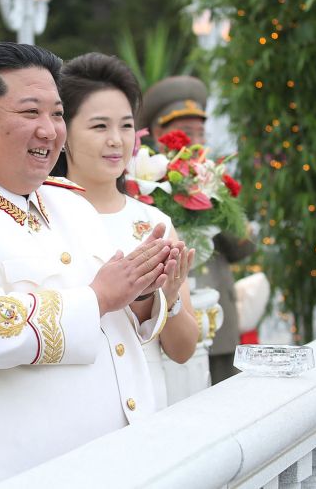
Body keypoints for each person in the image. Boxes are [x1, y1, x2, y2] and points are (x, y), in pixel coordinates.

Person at [0, 42, 183, 488]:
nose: (49, 130)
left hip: (120, 463)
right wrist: (102, 296)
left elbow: (116, 326)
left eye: (58, 114)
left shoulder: (69, 203)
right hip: (17, 471)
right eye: (30, 113)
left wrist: (145, 293)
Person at [52, 53, 200, 410]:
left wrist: (170, 295)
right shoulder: (42, 212)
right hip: (72, 406)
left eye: (126, 126)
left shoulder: (153, 222)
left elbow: (182, 351)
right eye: (100, 127)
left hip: (146, 407)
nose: (117, 140)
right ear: (64, 131)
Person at [139, 75, 255, 384]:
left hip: (218, 315)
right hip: (166, 317)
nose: (194, 139)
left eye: (199, 132)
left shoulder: (213, 180)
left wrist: (215, 203)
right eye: (185, 131)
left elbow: (244, 247)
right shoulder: (142, 177)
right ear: (160, 133)